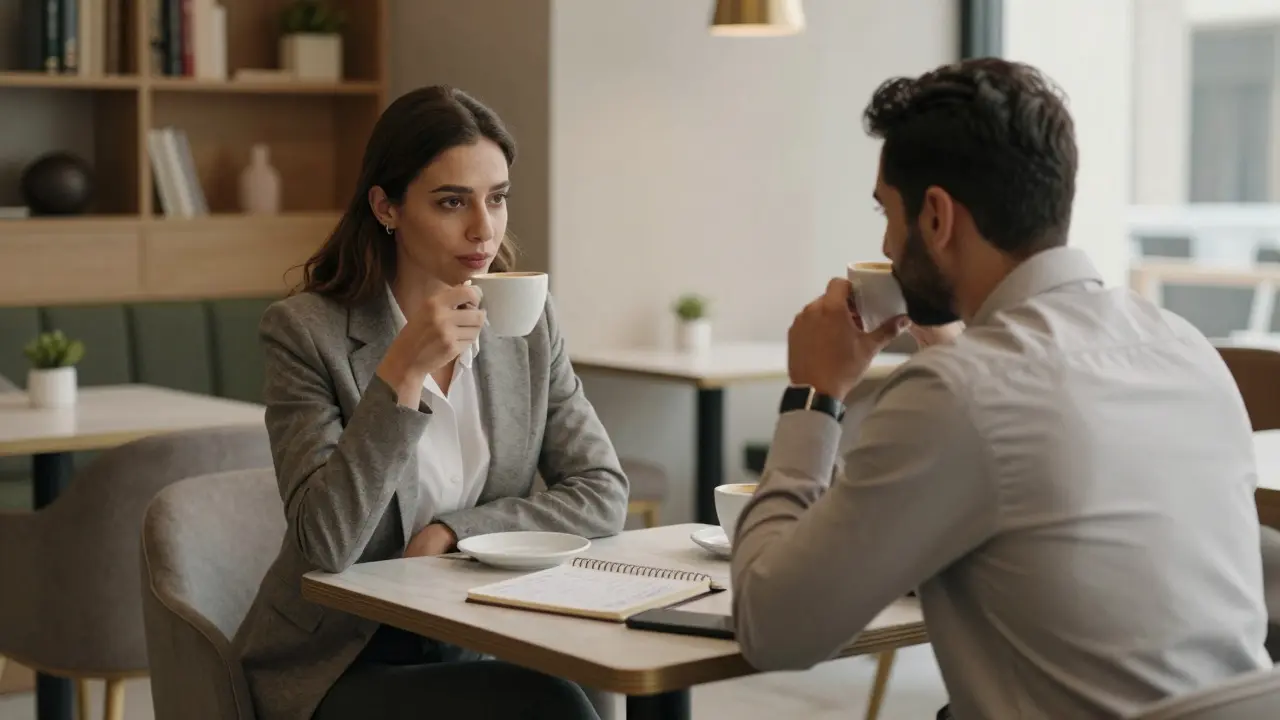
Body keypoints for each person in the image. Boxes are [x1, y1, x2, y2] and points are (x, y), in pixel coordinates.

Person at [729, 58, 1272, 719]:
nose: (885, 242)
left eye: (887, 212)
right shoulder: (1184, 347)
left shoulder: (957, 395)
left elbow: (774, 629)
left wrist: (814, 394)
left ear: (936, 217)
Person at [231, 85, 628, 720]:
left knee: (597, 683)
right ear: (386, 207)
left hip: (479, 637)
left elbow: (602, 490)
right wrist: (400, 377)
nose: (484, 229)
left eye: (496, 199)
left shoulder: (525, 321)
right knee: (552, 709)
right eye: (452, 202)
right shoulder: (307, 333)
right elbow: (326, 545)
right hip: (340, 661)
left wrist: (457, 532)